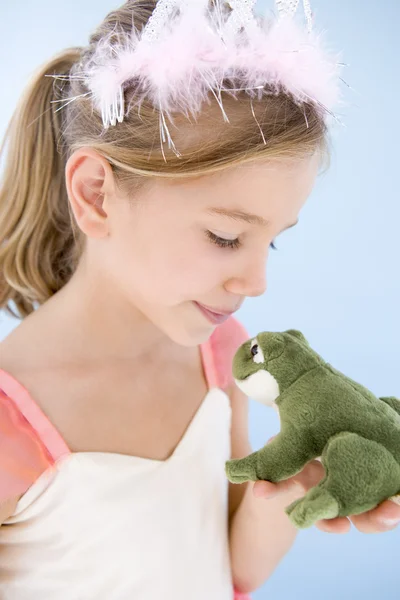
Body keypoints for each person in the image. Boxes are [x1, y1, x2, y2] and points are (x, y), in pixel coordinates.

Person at [0, 1, 399, 598]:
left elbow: (228, 571)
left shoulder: (219, 354)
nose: (256, 280)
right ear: (96, 195)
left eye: (273, 241)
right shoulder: (13, 420)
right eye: (227, 237)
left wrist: (291, 489)